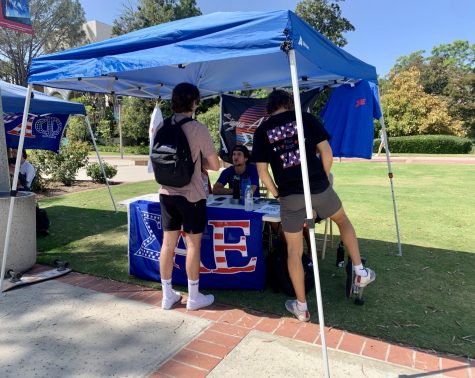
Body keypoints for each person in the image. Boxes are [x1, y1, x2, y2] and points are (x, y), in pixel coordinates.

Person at [252, 90, 376, 322]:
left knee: (294, 251)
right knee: (343, 221)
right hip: (318, 188)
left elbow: (262, 172)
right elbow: (326, 153)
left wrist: (277, 194)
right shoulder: (305, 118)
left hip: (290, 196)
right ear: (289, 103)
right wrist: (323, 178)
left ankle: (302, 307)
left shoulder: (262, 131)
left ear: (270, 107)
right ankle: (359, 270)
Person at [158, 83, 220, 311]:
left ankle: (167, 295)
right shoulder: (197, 128)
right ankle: (193, 297)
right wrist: (199, 163)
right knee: (193, 245)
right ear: (193, 102)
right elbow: (215, 164)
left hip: (166, 192)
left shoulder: (163, 125)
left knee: (167, 244)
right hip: (191, 195)